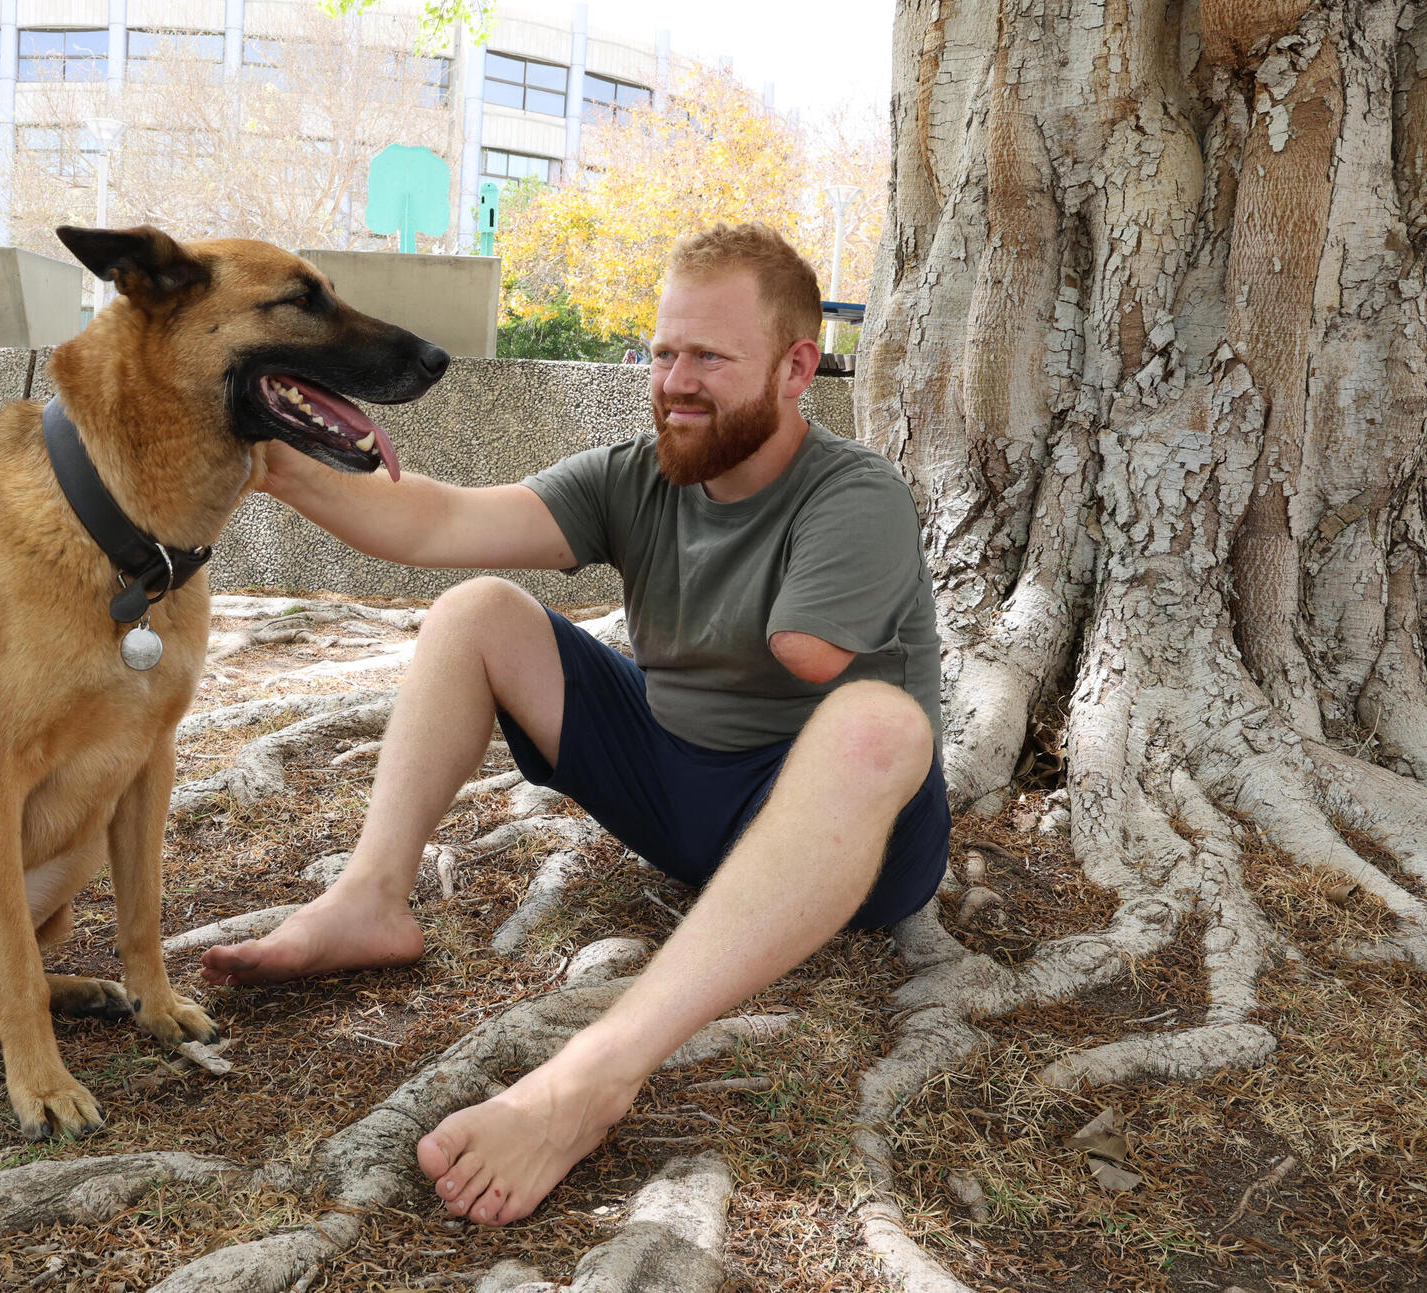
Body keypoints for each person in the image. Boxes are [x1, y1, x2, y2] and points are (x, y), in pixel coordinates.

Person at [201, 221, 948, 1228]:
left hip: (837, 838)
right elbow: (432, 522)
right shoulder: (637, 473)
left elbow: (808, 652)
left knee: (876, 722)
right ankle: (370, 898)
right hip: (682, 796)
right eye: (665, 353)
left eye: (711, 360)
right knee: (479, 612)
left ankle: (593, 1076)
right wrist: (271, 464)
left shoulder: (856, 494)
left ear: (796, 368)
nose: (676, 382)